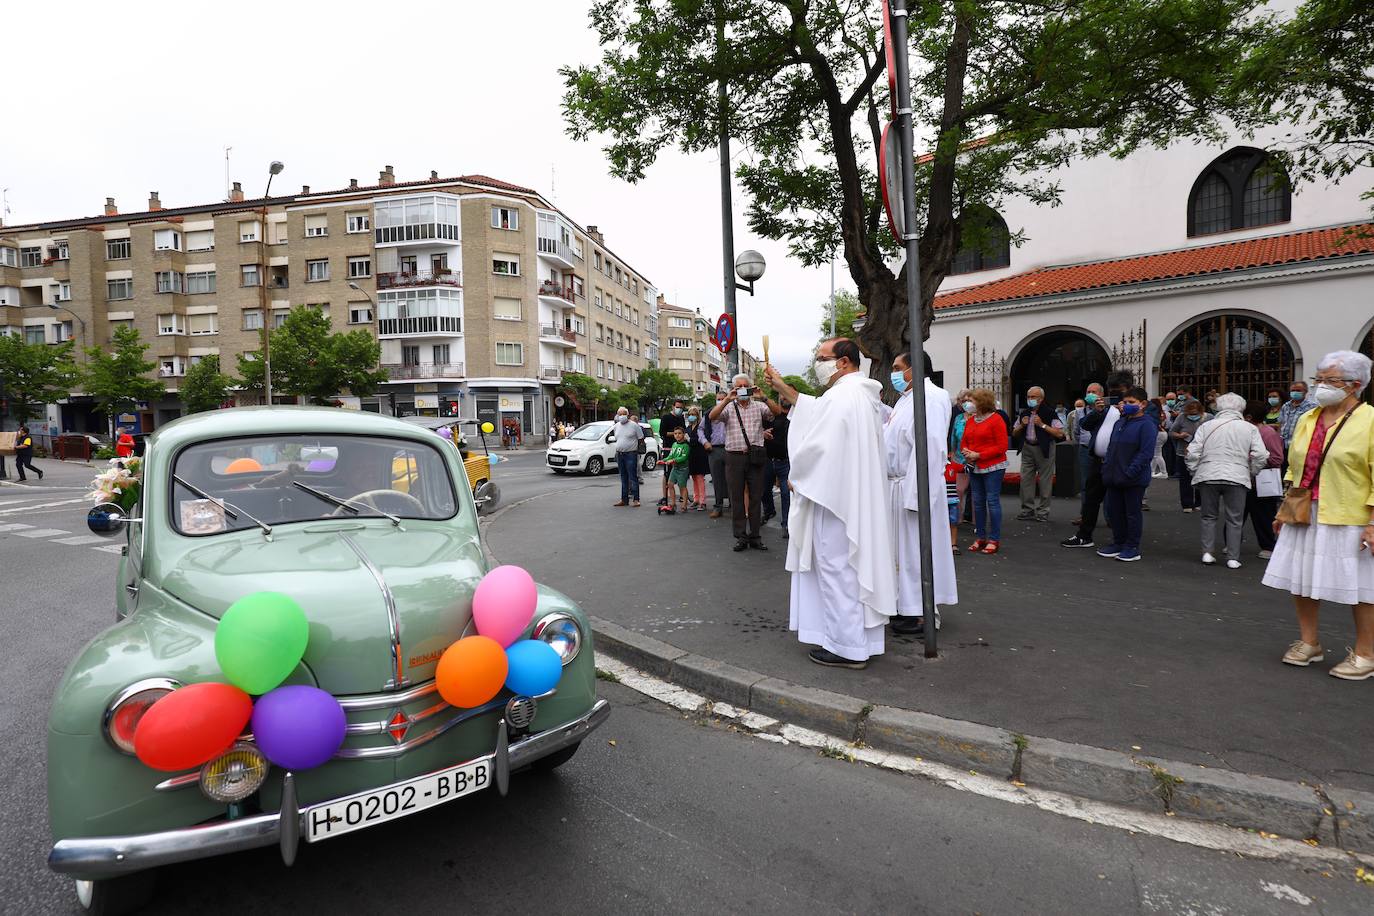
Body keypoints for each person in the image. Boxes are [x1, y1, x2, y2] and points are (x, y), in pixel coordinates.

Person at [766, 339, 895, 669]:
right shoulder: (859, 394)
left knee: (837, 568)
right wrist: (781, 386)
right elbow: (815, 414)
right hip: (851, 495)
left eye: (822, 358)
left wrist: (800, 475)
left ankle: (847, 647)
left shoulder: (843, 396)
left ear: (844, 362)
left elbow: (823, 446)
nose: (817, 363)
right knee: (848, 569)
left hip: (834, 499)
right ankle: (856, 640)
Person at [1263, 351, 1374, 680]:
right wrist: (1285, 510)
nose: (1320, 386)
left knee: (1362, 586)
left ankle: (1367, 653)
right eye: (1319, 379)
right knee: (1302, 578)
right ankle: (1309, 642)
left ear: (1355, 385)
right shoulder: (1309, 418)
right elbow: (1295, 469)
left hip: (1350, 513)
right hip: (1306, 509)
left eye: (1330, 380)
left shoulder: (1369, 420)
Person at [884, 352, 957, 636]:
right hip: (898, 485)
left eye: (897, 368)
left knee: (918, 551)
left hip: (914, 486)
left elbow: (929, 445)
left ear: (914, 369)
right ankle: (907, 607)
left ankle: (923, 614)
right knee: (903, 552)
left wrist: (917, 496)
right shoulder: (906, 399)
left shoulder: (932, 397)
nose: (894, 373)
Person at [1186, 392, 1269, 569]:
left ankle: (1207, 553)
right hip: (1237, 475)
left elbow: (1192, 452)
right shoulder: (1249, 428)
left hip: (1208, 474)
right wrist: (1251, 472)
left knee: (1208, 516)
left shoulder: (1206, 426)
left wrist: (1195, 471)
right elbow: (1261, 455)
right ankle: (1233, 557)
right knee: (1235, 518)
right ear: (1241, 408)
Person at [1061, 371, 1134, 549]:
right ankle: (1084, 535)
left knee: (1120, 502)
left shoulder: (1135, 405)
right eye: (1112, 391)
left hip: (1120, 463)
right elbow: (1085, 424)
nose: (1116, 395)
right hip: (1099, 460)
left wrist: (1127, 409)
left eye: (1119, 391)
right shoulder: (1105, 407)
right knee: (1091, 499)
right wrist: (1097, 411)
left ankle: (1123, 540)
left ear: (1128, 389)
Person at [709, 373, 780, 552]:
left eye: (744, 386)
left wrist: (763, 395)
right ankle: (740, 536)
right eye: (738, 386)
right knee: (737, 497)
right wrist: (726, 399)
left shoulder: (759, 406)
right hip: (734, 456)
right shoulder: (729, 407)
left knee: (756, 496)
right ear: (734, 388)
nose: (742, 389)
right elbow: (712, 416)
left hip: (755, 456)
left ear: (750, 387)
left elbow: (777, 413)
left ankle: (755, 536)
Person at [1098, 387, 1156, 561]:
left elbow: (1145, 454)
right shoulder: (1120, 423)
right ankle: (1118, 542)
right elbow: (1111, 449)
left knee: (1132, 513)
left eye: (1132, 402)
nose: (1128, 405)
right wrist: (1107, 468)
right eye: (1126, 402)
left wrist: (1130, 472)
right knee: (1114, 511)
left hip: (1133, 479)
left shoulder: (1147, 425)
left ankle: (1132, 547)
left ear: (1143, 404)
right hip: (1114, 476)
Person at [959, 387, 1009, 554]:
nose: (968, 404)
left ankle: (994, 539)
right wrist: (966, 452)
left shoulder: (996, 420)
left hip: (993, 466)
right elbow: (964, 440)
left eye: (971, 401)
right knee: (978, 503)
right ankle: (980, 537)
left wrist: (979, 454)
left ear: (981, 402)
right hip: (976, 466)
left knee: (992, 501)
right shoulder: (972, 420)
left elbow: (1002, 446)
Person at [1012, 385, 1065, 522]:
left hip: (1045, 448)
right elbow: (1014, 433)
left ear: (1041, 399)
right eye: (1029, 397)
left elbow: (1060, 434)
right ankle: (1027, 510)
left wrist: (1042, 425)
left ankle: (1043, 511)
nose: (1030, 400)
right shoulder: (1024, 413)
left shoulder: (1049, 412)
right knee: (1025, 480)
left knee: (1045, 481)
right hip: (1027, 447)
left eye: (1033, 397)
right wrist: (1021, 426)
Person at [1243, 398, 1285, 560]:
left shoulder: (1268, 433)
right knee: (1237, 513)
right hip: (1244, 479)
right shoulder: (1246, 431)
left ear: (1249, 417)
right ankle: (1231, 542)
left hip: (1262, 481)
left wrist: (1254, 458)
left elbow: (1276, 459)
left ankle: (1268, 545)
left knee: (1264, 515)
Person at [1169, 399, 1209, 512]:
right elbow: (1171, 432)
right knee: (1185, 479)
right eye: (1190, 413)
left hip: (1202, 454)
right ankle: (1187, 504)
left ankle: (1199, 502)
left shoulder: (1208, 418)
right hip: (1183, 452)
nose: (1193, 416)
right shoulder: (1181, 417)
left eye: (1195, 413)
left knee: (1201, 478)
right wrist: (1180, 435)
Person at [761, 397, 791, 535]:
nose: (784, 397)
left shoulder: (795, 416)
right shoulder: (770, 415)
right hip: (768, 460)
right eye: (781, 395)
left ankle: (787, 524)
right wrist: (762, 434)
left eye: (787, 394)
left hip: (786, 462)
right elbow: (756, 429)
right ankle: (769, 511)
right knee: (764, 490)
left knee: (786, 494)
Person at [699, 393, 729, 518]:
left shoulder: (732, 411)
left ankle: (734, 504)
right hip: (714, 449)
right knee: (717, 479)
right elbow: (700, 429)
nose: (720, 401)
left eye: (723, 399)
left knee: (733, 479)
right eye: (718, 399)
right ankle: (718, 506)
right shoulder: (709, 413)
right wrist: (705, 442)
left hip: (731, 449)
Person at [609, 408, 644, 508]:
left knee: (633, 477)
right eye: (620, 414)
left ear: (628, 415)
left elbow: (641, 438)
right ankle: (624, 499)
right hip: (620, 454)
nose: (622, 415)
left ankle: (636, 499)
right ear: (617, 415)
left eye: (624, 414)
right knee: (623, 477)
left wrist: (636, 449)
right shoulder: (616, 426)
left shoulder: (634, 425)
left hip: (631, 454)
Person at [1278, 380, 1318, 449]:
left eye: (1298, 390)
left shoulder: (1312, 407)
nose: (1295, 392)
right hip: (1283, 445)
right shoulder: (1286, 406)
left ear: (1305, 392)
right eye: (1293, 390)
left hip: (1300, 446)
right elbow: (1281, 423)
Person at [685, 405, 710, 511]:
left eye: (693, 414)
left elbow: (700, 440)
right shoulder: (688, 428)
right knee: (694, 478)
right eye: (690, 414)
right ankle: (696, 499)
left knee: (700, 478)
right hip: (691, 455)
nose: (691, 416)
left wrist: (690, 439)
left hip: (700, 455)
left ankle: (702, 502)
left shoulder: (701, 426)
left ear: (697, 415)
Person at [661, 427, 692, 512]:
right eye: (675, 433)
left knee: (682, 487)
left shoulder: (686, 446)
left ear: (683, 434)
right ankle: (673, 503)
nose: (677, 435)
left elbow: (684, 457)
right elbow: (670, 456)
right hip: (675, 468)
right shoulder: (674, 444)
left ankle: (684, 505)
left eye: (679, 433)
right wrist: (662, 460)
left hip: (683, 469)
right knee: (670, 484)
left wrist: (674, 460)